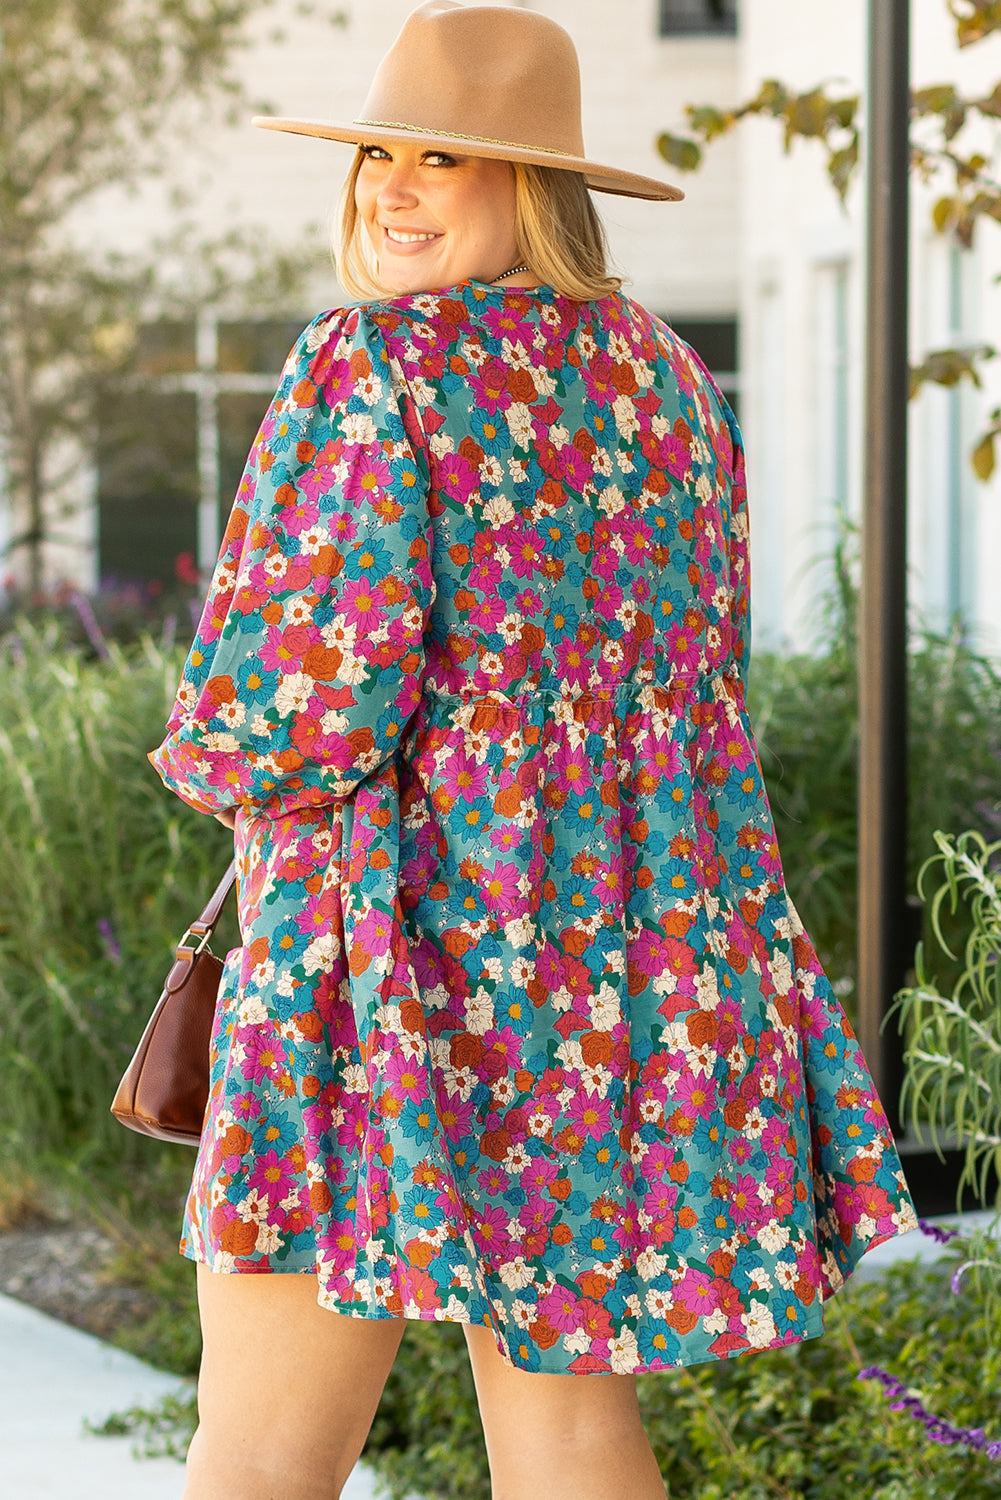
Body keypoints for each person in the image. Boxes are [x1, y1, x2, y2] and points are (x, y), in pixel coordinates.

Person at [148, 4, 918, 1497]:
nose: (395, 185)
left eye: (446, 156)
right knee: (563, 1422)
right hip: (613, 974)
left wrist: (221, 770)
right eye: (381, 151)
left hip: (378, 966)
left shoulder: (373, 369)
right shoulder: (672, 387)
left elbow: (296, 714)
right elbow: (692, 687)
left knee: (254, 1461)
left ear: (536, 187)